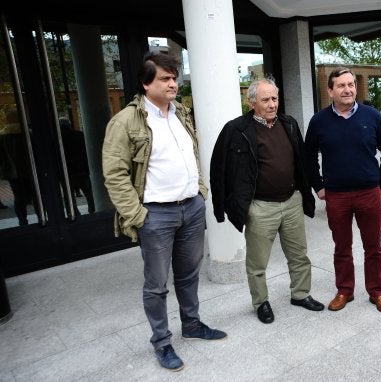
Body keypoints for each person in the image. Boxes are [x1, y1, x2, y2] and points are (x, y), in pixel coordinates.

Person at [102, 51, 226, 372]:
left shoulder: (180, 113)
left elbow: (191, 155)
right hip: (155, 214)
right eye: (165, 78)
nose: (173, 83)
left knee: (188, 274)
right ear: (146, 84)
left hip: (191, 209)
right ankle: (162, 342)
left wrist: (200, 192)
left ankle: (193, 324)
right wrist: (137, 215)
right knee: (156, 284)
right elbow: (114, 174)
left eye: (175, 77)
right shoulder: (126, 122)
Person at [210, 78, 324, 324]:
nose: (272, 104)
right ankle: (261, 302)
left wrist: (307, 193)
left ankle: (301, 294)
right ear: (251, 102)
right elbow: (219, 169)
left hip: (292, 202)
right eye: (265, 99)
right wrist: (222, 207)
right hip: (260, 207)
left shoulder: (289, 124)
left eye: (274, 98)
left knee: (299, 255)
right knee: (257, 262)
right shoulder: (236, 130)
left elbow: (302, 163)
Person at [305, 67, 381, 314]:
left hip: (369, 192)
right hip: (336, 196)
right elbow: (308, 157)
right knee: (341, 247)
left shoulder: (372, 116)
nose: (347, 89)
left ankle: (377, 292)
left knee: (373, 247)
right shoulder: (319, 121)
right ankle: (345, 290)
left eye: (351, 84)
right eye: (341, 85)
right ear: (330, 90)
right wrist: (319, 187)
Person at [60, 117, 95, 215]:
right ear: (69, 124)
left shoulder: (57, 137)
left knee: (69, 196)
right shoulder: (79, 135)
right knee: (89, 193)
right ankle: (92, 210)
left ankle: (74, 213)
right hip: (81, 170)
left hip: (66, 172)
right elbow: (87, 151)